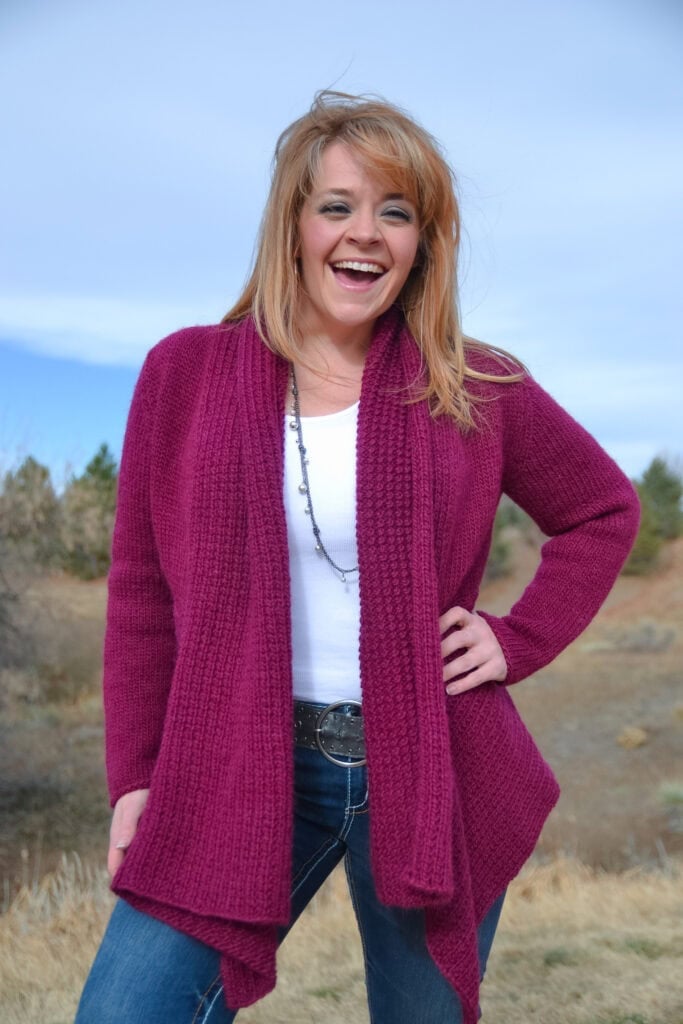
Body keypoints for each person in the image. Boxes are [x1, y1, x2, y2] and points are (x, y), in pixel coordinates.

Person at [75, 91, 639, 1024]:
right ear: (293, 224)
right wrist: (134, 778)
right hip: (234, 764)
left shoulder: (474, 383)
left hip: (426, 767)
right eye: (337, 205)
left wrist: (516, 638)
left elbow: (601, 510)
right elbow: (140, 594)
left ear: (423, 241)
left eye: (396, 211)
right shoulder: (185, 374)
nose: (364, 234)